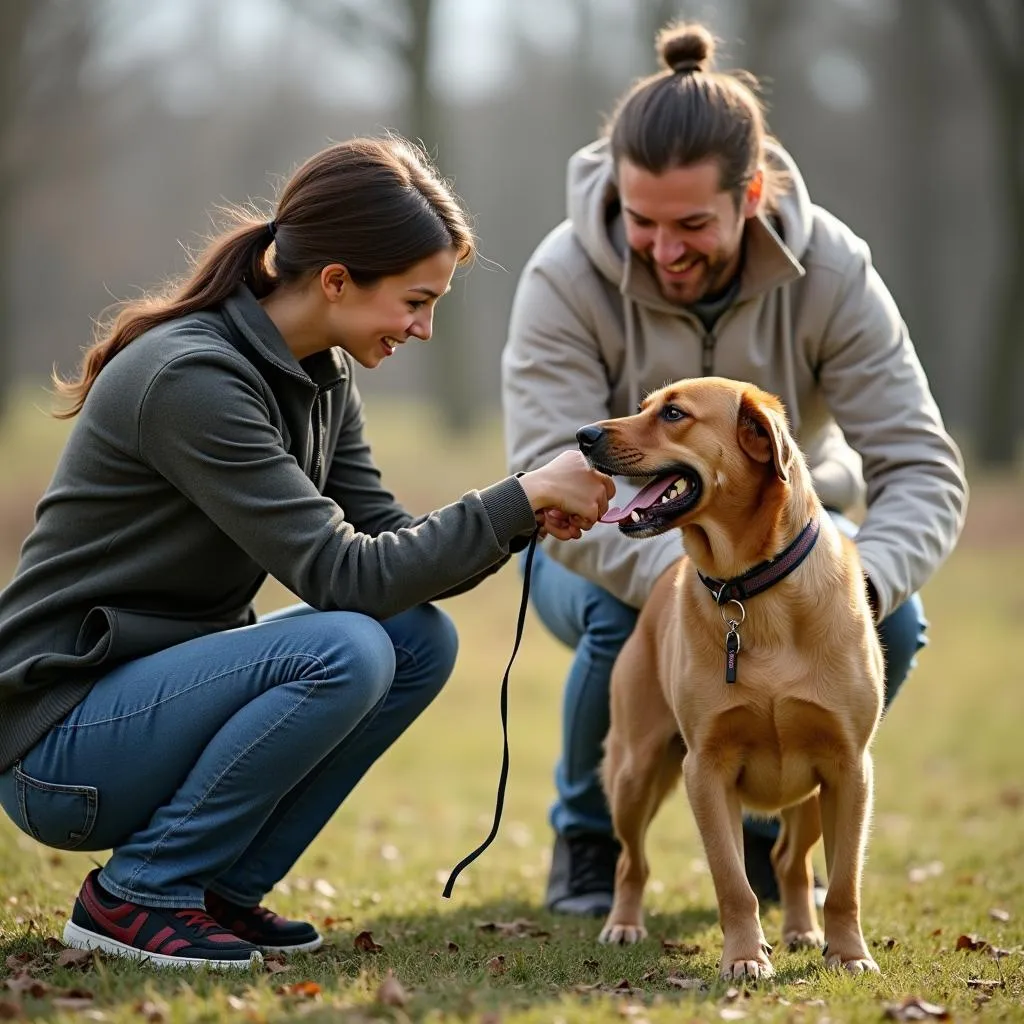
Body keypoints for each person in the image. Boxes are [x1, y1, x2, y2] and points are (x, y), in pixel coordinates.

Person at [0, 134, 615, 969]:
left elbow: (389, 545)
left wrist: (523, 515)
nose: (425, 328)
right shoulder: (193, 380)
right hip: (59, 747)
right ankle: (137, 897)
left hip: (147, 703)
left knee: (416, 640)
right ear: (335, 281)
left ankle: (215, 889)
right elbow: (343, 576)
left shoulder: (319, 375)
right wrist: (518, 495)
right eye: (415, 300)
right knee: (346, 646)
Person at [502, 23, 968, 917]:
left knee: (897, 629)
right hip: (604, 542)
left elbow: (920, 465)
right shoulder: (563, 277)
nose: (664, 249)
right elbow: (543, 469)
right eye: (641, 222)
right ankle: (589, 841)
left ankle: (767, 834)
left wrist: (853, 594)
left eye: (691, 225)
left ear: (750, 194)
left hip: (801, 540)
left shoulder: (832, 270)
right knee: (619, 625)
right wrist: (694, 591)